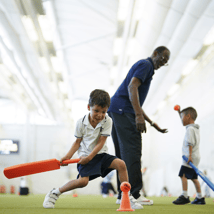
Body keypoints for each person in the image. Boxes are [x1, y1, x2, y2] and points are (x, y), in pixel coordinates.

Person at [43, 89, 143, 209]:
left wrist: (90, 157)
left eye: (103, 111)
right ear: (88, 107)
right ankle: (54, 193)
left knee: (121, 164)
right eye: (96, 110)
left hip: (101, 155)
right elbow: (77, 142)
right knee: (82, 182)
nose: (100, 115)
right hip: (85, 156)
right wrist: (67, 156)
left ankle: (125, 196)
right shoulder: (80, 123)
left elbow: (101, 142)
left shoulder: (108, 121)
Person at [108, 46, 170, 205]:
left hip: (117, 110)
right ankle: (133, 193)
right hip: (124, 110)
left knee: (122, 155)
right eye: (162, 59)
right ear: (155, 53)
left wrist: (152, 123)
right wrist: (138, 115)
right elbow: (132, 87)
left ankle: (123, 194)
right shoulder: (146, 65)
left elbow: (134, 99)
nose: (162, 63)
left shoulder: (145, 66)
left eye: (166, 62)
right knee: (132, 151)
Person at [172, 106, 206, 205]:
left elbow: (190, 143)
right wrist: (179, 112)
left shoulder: (190, 129)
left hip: (189, 156)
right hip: (196, 156)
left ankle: (185, 196)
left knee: (183, 175)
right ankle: (200, 197)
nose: (181, 119)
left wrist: (189, 156)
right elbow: (184, 122)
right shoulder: (194, 128)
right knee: (194, 178)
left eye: (182, 117)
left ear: (188, 116)